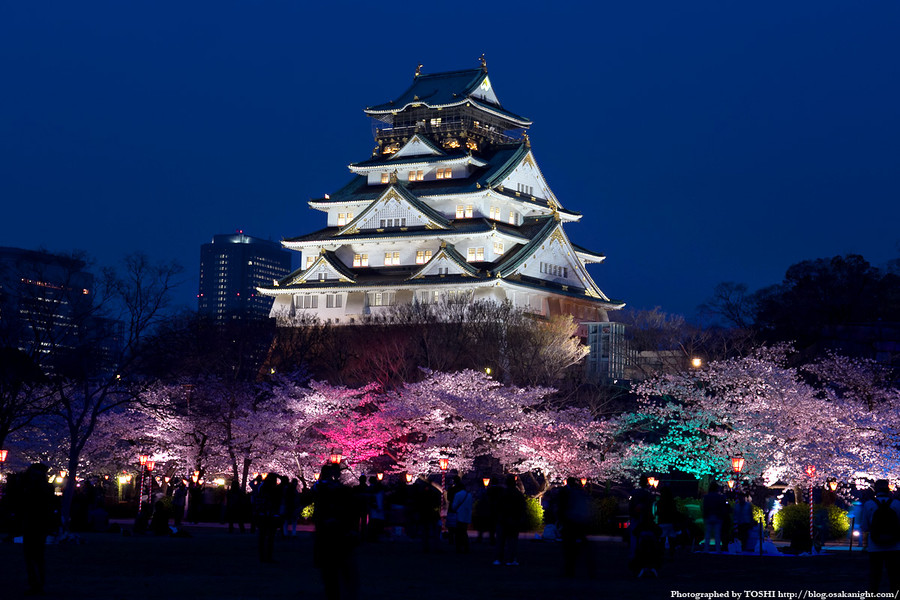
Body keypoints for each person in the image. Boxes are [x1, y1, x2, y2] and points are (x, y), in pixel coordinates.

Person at [313, 463, 359, 600]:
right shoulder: (342, 490)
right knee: (341, 567)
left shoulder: (321, 489)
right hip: (338, 531)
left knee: (330, 569)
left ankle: (334, 592)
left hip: (329, 531)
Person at [20, 463, 55, 596]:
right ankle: (38, 582)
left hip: (34, 523)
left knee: (32, 555)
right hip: (39, 524)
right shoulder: (45, 487)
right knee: (37, 556)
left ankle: (36, 583)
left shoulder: (33, 488)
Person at [860, 479, 900, 594]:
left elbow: (865, 527)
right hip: (895, 545)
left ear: (875, 489)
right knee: (895, 578)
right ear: (888, 489)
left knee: (874, 577)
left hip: (875, 546)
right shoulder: (897, 504)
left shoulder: (869, 504)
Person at [558, 477, 591, 577]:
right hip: (575, 521)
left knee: (569, 546)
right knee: (576, 545)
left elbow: (561, 506)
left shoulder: (567, 492)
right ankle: (579, 566)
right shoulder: (579, 492)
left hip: (570, 521)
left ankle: (570, 568)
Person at [495, 475, 526, 566]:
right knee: (512, 541)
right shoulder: (518, 494)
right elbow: (522, 507)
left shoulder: (502, 493)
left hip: (503, 519)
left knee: (501, 541)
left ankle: (499, 559)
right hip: (514, 519)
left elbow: (497, 506)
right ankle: (512, 559)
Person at [448, 477, 473, 554]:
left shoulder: (457, 494)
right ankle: (466, 547)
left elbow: (454, 505)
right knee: (464, 532)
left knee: (458, 533)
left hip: (458, 515)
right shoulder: (469, 495)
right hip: (466, 516)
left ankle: (458, 547)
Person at [703, 482, 727, 553]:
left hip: (709, 516)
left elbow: (705, 507)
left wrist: (705, 516)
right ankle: (718, 549)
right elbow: (722, 507)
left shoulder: (706, 497)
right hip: (717, 516)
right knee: (717, 534)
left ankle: (706, 549)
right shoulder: (719, 497)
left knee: (708, 533)